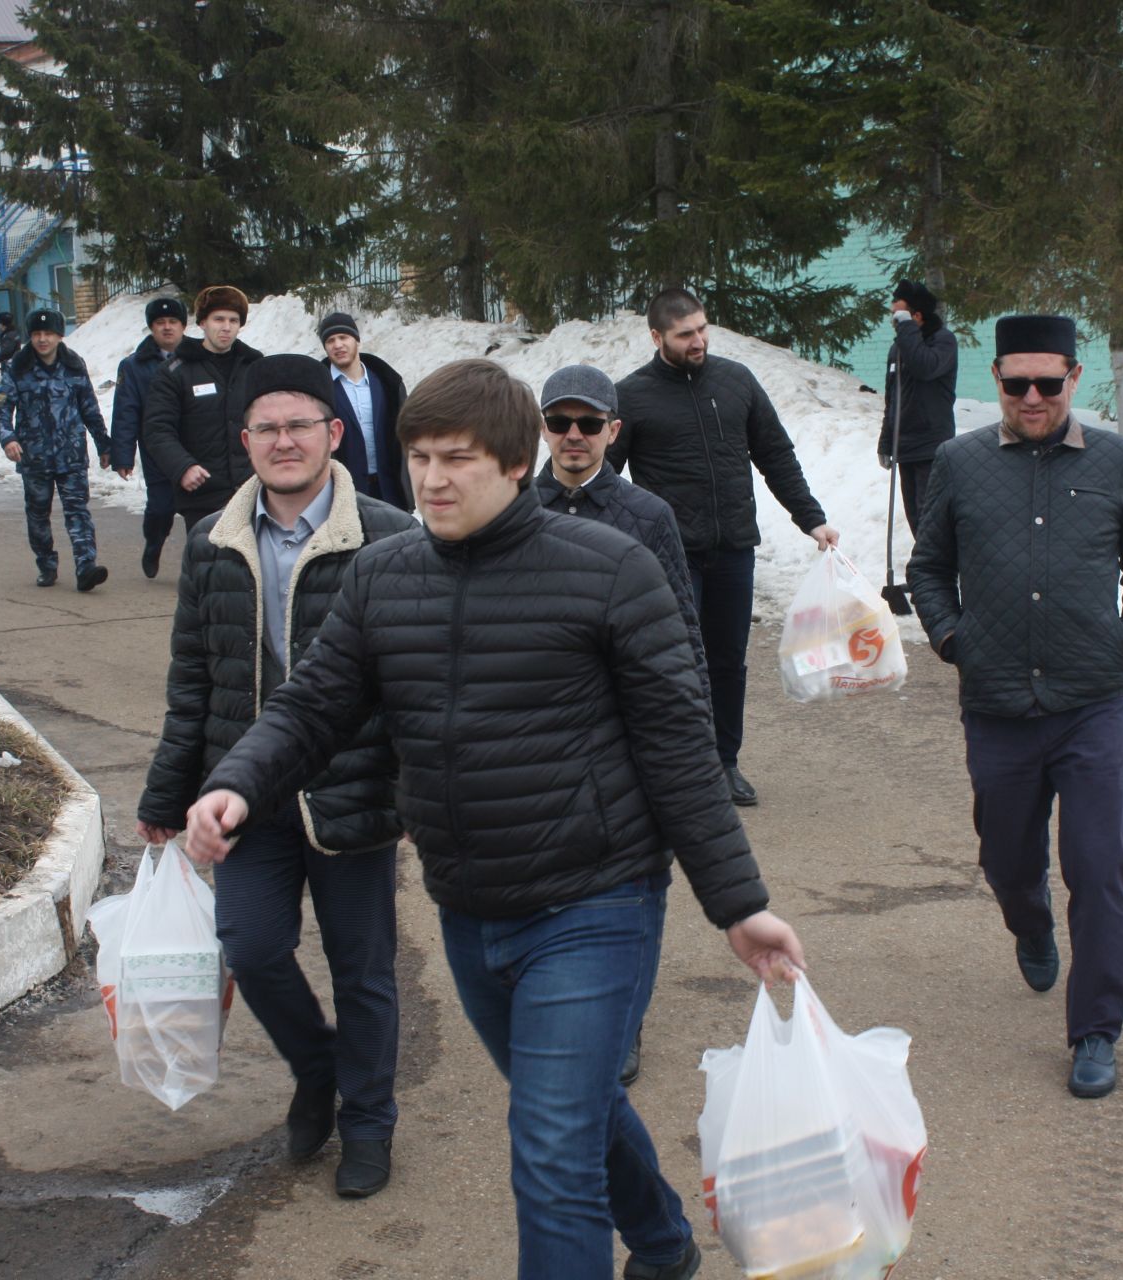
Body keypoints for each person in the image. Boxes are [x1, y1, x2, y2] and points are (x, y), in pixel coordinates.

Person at [181, 358, 804, 1280]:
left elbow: (681, 748)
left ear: (518, 463)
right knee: (575, 1108)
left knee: (548, 1147)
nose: (432, 479)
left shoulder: (611, 570)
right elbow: (311, 707)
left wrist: (736, 903)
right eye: (420, 457)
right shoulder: (384, 576)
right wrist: (238, 781)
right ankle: (666, 1244)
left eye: (458, 459)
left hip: (595, 903)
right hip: (471, 908)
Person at [136, 353, 417, 1198]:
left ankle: (369, 1123)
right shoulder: (212, 543)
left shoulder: (389, 536)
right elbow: (195, 677)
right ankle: (317, 1065)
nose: (284, 441)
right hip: (244, 794)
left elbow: (414, 682)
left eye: (301, 425)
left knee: (362, 966)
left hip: (351, 792)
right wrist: (165, 792)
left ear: (335, 434)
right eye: (267, 428)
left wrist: (417, 790)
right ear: (245, 439)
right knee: (251, 947)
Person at [906, 314, 1123, 1100]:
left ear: (1074, 379)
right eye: (1015, 382)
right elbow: (928, 568)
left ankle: (1094, 1029)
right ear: (995, 381)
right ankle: (1028, 923)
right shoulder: (958, 463)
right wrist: (954, 639)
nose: (1032, 397)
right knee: (1006, 859)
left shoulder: (1118, 462)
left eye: (1047, 383)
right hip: (996, 703)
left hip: (1092, 701)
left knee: (1097, 867)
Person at [531, 363, 711, 1092]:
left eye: (587, 424)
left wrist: (691, 726)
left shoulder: (647, 516)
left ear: (613, 430)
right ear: (542, 429)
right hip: (537, 733)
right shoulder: (514, 503)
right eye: (559, 423)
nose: (573, 438)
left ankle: (622, 1018)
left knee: (634, 882)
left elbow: (682, 628)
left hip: (626, 733)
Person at [609, 287, 839, 808]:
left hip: (734, 546)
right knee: (674, 661)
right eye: (685, 333)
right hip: (670, 553)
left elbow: (775, 454)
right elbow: (604, 476)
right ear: (656, 337)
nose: (698, 341)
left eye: (702, 329)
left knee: (728, 660)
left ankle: (724, 762)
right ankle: (673, 764)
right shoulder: (632, 396)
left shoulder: (735, 381)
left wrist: (812, 519)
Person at [0, 308, 113, 590]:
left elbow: (89, 408)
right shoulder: (17, 368)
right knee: (38, 514)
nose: (42, 339)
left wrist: (103, 442)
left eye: (48, 334)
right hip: (34, 457)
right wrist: (8, 438)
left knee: (78, 511)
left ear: (59, 336)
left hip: (71, 454)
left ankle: (86, 567)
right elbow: (1, 408)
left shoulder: (73, 365)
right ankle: (46, 564)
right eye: (37, 334)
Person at [142, 285, 263, 533]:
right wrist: (183, 467)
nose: (226, 327)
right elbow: (157, 429)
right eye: (218, 319)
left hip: (252, 489)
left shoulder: (255, 367)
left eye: (233, 320)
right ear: (202, 323)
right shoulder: (176, 371)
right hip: (203, 494)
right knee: (209, 567)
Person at [111, 296, 189, 578]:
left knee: (200, 510)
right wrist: (123, 454)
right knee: (161, 508)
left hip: (197, 444)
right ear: (151, 328)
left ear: (183, 326)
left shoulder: (199, 357)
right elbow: (126, 410)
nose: (167, 328)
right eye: (160, 323)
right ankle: (154, 543)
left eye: (173, 322)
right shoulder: (134, 366)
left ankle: (197, 568)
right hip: (157, 447)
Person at [876, 280, 958, 537]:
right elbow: (893, 399)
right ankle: (925, 573)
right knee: (915, 517)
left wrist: (907, 329)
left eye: (898, 314)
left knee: (930, 518)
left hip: (931, 445)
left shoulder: (943, 342)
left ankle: (937, 574)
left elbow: (925, 367)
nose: (893, 320)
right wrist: (886, 441)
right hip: (906, 446)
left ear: (917, 316)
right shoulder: (898, 348)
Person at [317, 311, 412, 511]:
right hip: (343, 495)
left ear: (357, 340)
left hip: (390, 491)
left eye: (343, 337)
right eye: (330, 341)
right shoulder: (319, 388)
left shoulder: (387, 384)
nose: (338, 345)